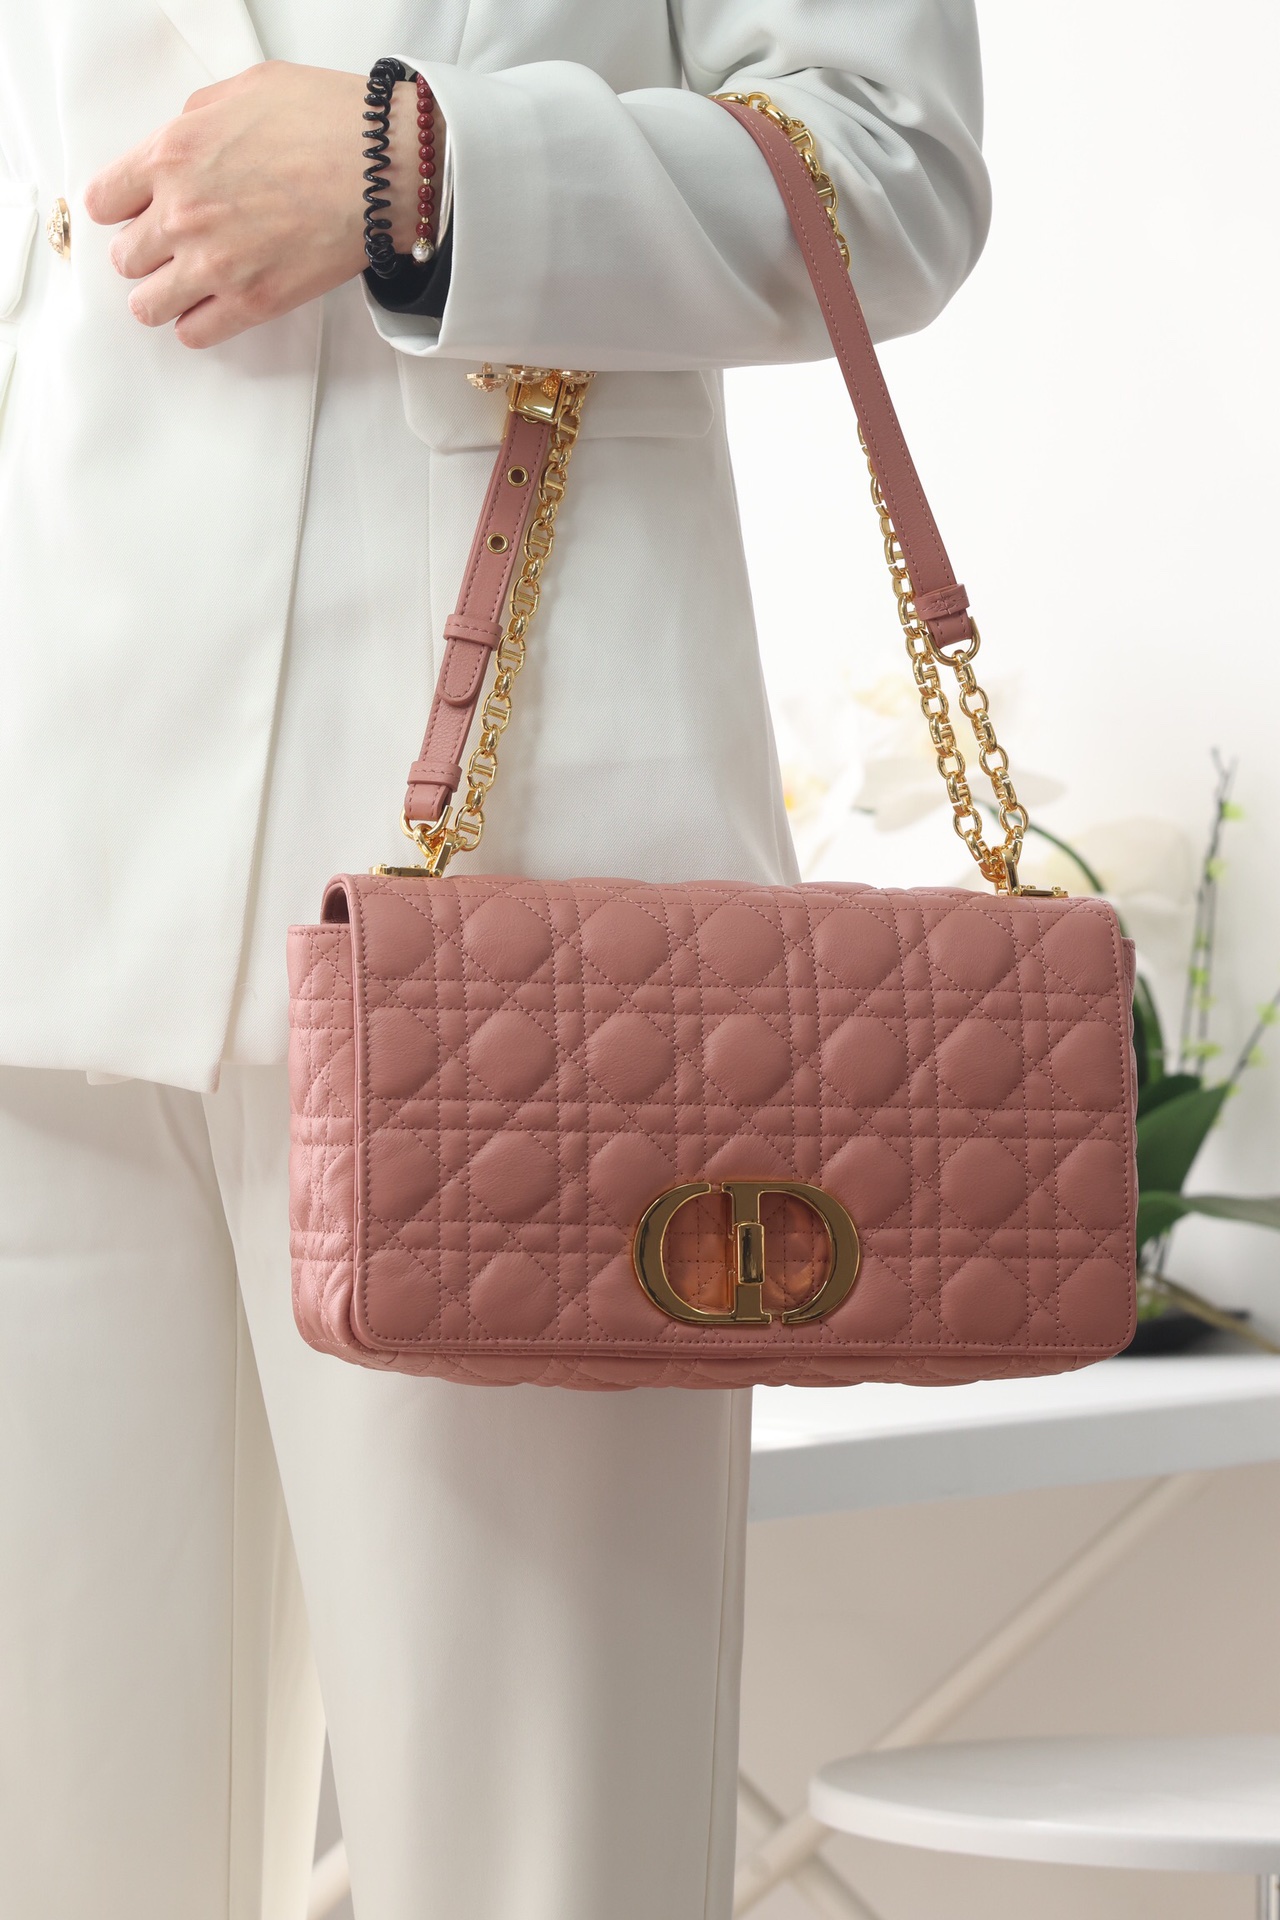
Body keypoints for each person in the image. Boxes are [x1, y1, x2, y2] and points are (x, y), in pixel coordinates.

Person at [0, 6, 989, 1917]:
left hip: (520, 941)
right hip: (42, 865)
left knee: (544, 1868)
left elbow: (891, 159)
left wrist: (427, 171)